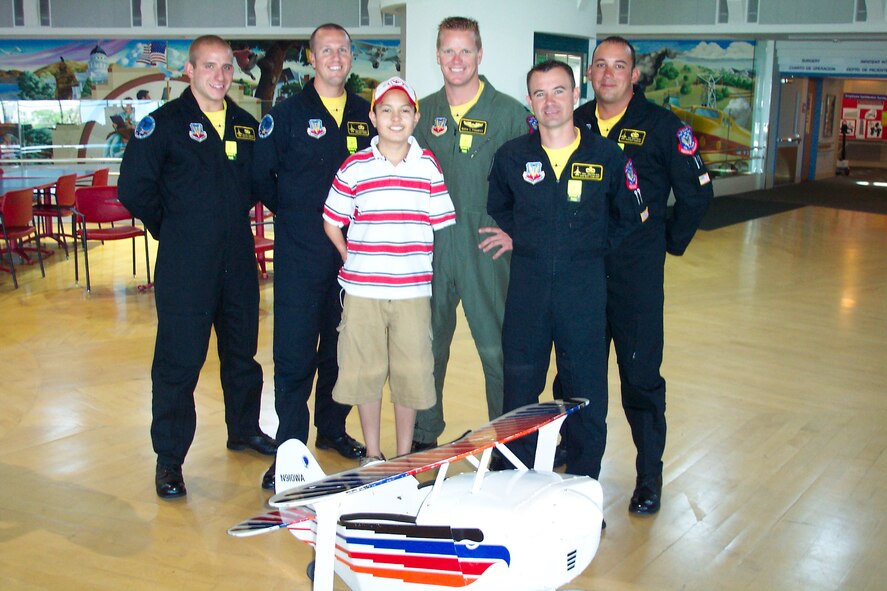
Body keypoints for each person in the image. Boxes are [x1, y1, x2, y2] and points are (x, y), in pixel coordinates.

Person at [118, 35, 276, 500]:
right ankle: (170, 459)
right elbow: (133, 188)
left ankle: (244, 428)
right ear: (189, 70)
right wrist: (174, 226)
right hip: (185, 263)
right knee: (178, 361)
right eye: (209, 66)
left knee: (242, 354)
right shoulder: (162, 125)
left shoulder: (247, 127)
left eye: (227, 67)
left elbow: (257, 185)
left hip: (237, 260)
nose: (220, 76)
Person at [568, 36, 713, 515]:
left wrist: (667, 243)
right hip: (583, 276)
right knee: (575, 375)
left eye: (620, 66)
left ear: (635, 75)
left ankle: (648, 476)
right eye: (601, 66)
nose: (608, 74)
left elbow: (696, 195)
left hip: (635, 280)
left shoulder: (662, 127)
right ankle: (574, 451)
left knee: (640, 380)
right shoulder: (576, 123)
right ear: (590, 73)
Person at [487, 60, 645, 484]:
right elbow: (499, 206)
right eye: (540, 93)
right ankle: (511, 478)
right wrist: (526, 238)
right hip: (528, 290)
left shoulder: (606, 156)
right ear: (529, 102)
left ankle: (583, 484)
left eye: (559, 91)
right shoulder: (512, 157)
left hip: (584, 292)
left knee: (585, 391)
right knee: (519, 389)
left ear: (577, 95)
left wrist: (588, 248)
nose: (550, 102)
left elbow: (629, 216)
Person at [252, 23, 373, 490]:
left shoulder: (368, 115)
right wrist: (299, 216)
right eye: (327, 50)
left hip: (353, 255)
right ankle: (289, 445)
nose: (336, 57)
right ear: (313, 57)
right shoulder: (284, 115)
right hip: (302, 254)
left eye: (343, 49)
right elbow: (263, 179)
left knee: (343, 349)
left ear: (351, 55)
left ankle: (332, 427)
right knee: (295, 352)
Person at [411, 16, 530, 451]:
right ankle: (423, 437)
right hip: (434, 248)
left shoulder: (511, 114)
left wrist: (517, 233)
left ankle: (508, 442)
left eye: (465, 50)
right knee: (427, 349)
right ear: (437, 56)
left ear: (480, 54)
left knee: (497, 351)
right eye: (448, 50)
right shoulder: (421, 115)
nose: (456, 60)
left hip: (486, 248)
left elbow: (535, 184)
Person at [322, 77, 456, 464]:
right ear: (372, 116)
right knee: (365, 373)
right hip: (363, 293)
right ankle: (373, 454)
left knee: (411, 376)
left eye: (404, 110)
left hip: (413, 294)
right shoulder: (355, 166)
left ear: (415, 118)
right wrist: (351, 260)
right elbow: (332, 222)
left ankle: (402, 458)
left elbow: (439, 223)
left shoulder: (428, 165)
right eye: (386, 110)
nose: (395, 118)